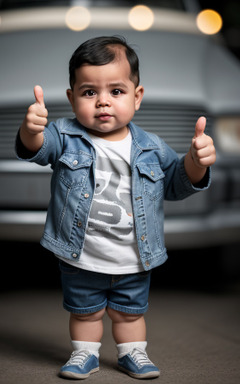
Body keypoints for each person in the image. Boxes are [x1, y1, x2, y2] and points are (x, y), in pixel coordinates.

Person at [16, 36, 216, 380]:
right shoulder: (65, 136)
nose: (103, 102)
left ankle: (133, 354)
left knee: (130, 313)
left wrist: (196, 162)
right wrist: (30, 128)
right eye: (89, 92)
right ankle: (84, 355)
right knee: (85, 313)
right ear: (72, 97)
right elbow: (38, 147)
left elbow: (177, 183)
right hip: (81, 254)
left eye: (117, 92)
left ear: (137, 97)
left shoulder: (151, 147)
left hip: (133, 256)